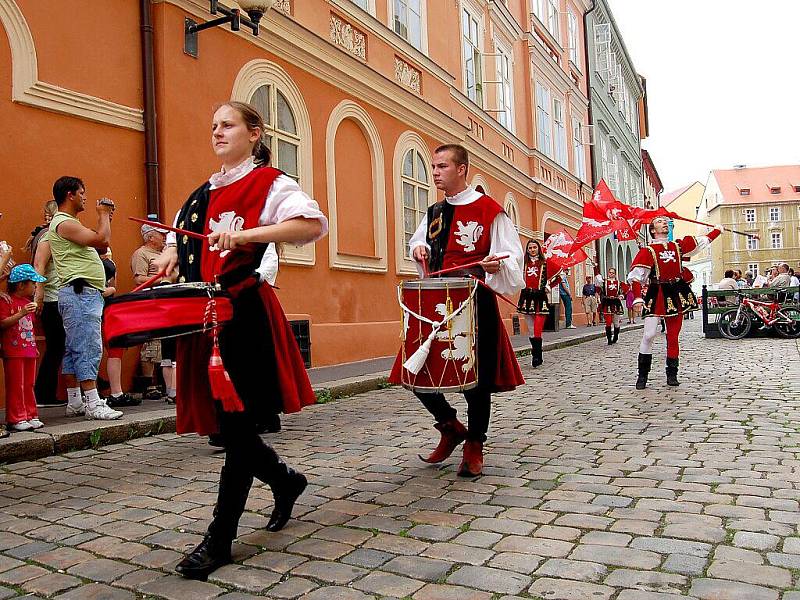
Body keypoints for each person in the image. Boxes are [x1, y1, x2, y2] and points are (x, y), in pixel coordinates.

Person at [152, 101, 326, 581]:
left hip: (243, 315)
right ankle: (285, 481)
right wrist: (169, 254)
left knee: (236, 426)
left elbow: (310, 226)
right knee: (229, 430)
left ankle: (221, 537)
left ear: (254, 132)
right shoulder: (202, 191)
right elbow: (179, 236)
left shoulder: (270, 183)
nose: (217, 132)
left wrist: (249, 235)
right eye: (213, 126)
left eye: (226, 125)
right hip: (202, 319)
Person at [388, 143, 525, 478]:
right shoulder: (434, 213)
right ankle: (449, 426)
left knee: (475, 381)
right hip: (434, 303)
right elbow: (419, 245)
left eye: (442, 166)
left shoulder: (489, 210)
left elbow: (511, 257)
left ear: (461, 169)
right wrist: (418, 249)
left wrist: (494, 265)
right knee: (417, 373)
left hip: (473, 300)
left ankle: (474, 443)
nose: (435, 172)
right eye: (433, 167)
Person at [48, 176, 122, 420]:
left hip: (80, 293)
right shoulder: (64, 223)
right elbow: (103, 240)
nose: (85, 197)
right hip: (80, 293)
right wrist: (102, 215)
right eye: (82, 192)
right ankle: (93, 402)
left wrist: (105, 220)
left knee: (73, 349)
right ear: (70, 194)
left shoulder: (70, 224)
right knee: (88, 347)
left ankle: (75, 401)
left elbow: (100, 245)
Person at [628, 216, 722, 389]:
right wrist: (638, 298)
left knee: (673, 336)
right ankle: (642, 375)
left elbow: (701, 243)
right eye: (659, 222)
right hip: (657, 292)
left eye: (665, 221)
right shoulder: (648, 250)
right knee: (649, 335)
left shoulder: (677, 247)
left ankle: (672, 373)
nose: (664, 223)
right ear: (652, 230)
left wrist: (717, 230)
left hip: (676, 293)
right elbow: (636, 275)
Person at [131, 223, 176, 400]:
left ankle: (168, 384)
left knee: (167, 342)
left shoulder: (165, 253)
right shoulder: (141, 254)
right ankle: (149, 384)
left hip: (168, 301)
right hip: (151, 301)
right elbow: (139, 278)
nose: (164, 237)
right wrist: (161, 279)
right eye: (161, 234)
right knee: (151, 342)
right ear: (150, 237)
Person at [1, 265, 47, 431]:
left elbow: (30, 329)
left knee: (28, 384)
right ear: (21, 285)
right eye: (33, 283)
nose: (35, 287)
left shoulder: (28, 303)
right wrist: (20, 314)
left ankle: (30, 414)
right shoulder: (7, 301)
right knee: (16, 384)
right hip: (13, 351)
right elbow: (3, 323)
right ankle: (16, 417)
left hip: (28, 349)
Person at [32, 201, 65, 407]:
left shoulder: (43, 235)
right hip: (53, 297)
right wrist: (40, 292)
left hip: (53, 296)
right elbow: (39, 265)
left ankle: (45, 393)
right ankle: (44, 394)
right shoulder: (48, 236)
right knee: (57, 346)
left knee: (57, 346)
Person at [517, 239, 550, 366]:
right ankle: (537, 354)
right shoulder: (523, 263)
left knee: (537, 328)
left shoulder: (545, 263)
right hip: (526, 296)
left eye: (534, 247)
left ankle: (536, 356)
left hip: (540, 296)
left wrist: (548, 286)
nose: (532, 250)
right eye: (530, 248)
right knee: (531, 328)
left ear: (538, 249)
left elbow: (556, 277)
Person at [595, 267, 626, 345]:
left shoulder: (619, 283)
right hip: (607, 302)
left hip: (616, 302)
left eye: (612, 273)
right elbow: (598, 288)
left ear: (615, 274)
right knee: (608, 321)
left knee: (616, 322)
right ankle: (609, 339)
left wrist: (621, 295)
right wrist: (595, 267)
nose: (611, 274)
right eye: (610, 272)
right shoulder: (604, 282)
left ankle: (615, 337)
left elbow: (625, 290)